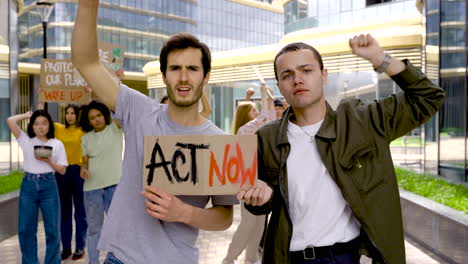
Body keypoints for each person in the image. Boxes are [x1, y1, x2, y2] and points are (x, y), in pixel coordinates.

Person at [238, 34, 445, 264]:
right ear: (280, 86)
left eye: (306, 70)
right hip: (287, 258)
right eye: (287, 75)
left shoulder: (363, 121)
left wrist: (380, 58)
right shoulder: (266, 138)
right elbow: (262, 203)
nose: (297, 79)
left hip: (345, 256)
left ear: (323, 75)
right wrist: (261, 198)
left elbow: (429, 97)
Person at [71, 2, 237, 263]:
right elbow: (86, 62)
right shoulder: (138, 111)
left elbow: (225, 216)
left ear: (205, 77)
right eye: (175, 68)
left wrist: (184, 213)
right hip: (121, 259)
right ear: (164, 75)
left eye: (193, 69)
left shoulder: (220, 143)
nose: (183, 77)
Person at [223, 84, 275, 264]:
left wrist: (252, 98)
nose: (256, 113)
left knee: (258, 225)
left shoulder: (245, 129)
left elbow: (263, 118)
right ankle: (229, 259)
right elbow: (265, 118)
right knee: (248, 225)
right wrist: (264, 96)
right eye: (253, 111)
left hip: (257, 181)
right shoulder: (246, 130)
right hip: (248, 182)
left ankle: (250, 260)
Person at [7, 110, 68, 264]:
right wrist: (27, 116)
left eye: (44, 123)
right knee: (26, 229)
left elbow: (62, 170)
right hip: (29, 186)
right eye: (36, 123)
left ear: (49, 125)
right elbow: (10, 121)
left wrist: (49, 161)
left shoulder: (57, 144)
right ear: (32, 126)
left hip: (49, 186)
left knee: (53, 230)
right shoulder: (26, 140)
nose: (40, 127)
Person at [79, 100, 123, 264]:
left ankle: (116, 261)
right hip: (92, 190)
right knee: (94, 230)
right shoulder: (86, 138)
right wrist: (83, 169)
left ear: (104, 115)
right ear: (88, 121)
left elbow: (118, 106)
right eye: (92, 117)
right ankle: (94, 262)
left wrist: (116, 81)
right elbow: (85, 162)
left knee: (116, 229)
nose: (97, 119)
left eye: (99, 115)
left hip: (115, 186)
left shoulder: (116, 128)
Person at [54, 104, 88, 260]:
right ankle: (66, 247)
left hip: (79, 173)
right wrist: (41, 100)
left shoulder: (83, 130)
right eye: (67, 113)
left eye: (73, 113)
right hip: (62, 173)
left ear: (78, 115)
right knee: (65, 213)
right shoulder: (59, 129)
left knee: (80, 212)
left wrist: (87, 96)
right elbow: (41, 118)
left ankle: (80, 247)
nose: (69, 116)